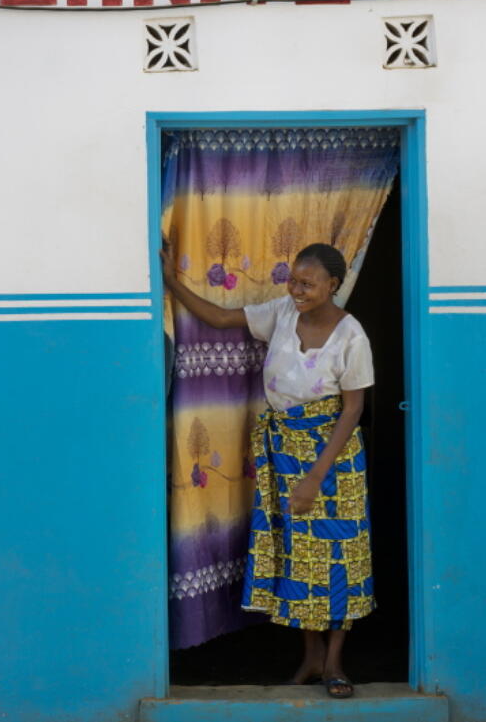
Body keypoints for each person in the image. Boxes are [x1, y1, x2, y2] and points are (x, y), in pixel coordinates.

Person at [161, 240, 375, 699]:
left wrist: (316, 475)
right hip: (283, 451)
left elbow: (353, 409)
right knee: (298, 554)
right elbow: (219, 318)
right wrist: (169, 281)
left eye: (308, 283)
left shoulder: (351, 336)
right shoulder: (281, 312)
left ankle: (335, 661)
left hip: (332, 457)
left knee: (339, 556)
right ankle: (311, 656)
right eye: (293, 280)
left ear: (333, 285)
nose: (297, 289)